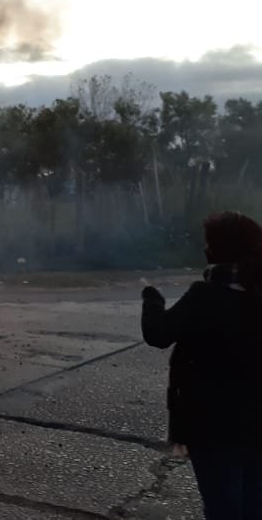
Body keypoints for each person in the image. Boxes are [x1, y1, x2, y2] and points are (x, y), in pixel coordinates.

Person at [141, 211, 262, 519]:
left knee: (224, 508)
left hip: (213, 427)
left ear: (219, 249)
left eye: (209, 243)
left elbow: (158, 334)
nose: (205, 249)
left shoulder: (204, 296)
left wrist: (152, 301)